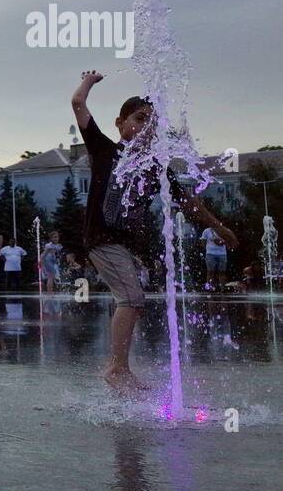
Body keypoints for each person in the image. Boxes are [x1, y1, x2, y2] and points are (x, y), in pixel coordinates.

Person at [71, 69, 237, 395]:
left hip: (121, 244)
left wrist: (218, 226)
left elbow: (188, 203)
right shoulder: (106, 151)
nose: (146, 127)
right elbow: (78, 103)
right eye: (139, 118)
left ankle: (120, 368)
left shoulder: (155, 168)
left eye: (152, 122)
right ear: (120, 123)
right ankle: (117, 369)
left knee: (132, 299)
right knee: (131, 298)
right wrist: (89, 81)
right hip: (101, 239)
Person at [201, 225, 229, 291]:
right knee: (210, 272)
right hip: (210, 253)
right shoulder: (206, 231)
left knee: (222, 272)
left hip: (222, 253)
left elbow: (228, 240)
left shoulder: (223, 230)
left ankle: (222, 289)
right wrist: (208, 249)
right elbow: (203, 242)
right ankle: (209, 288)